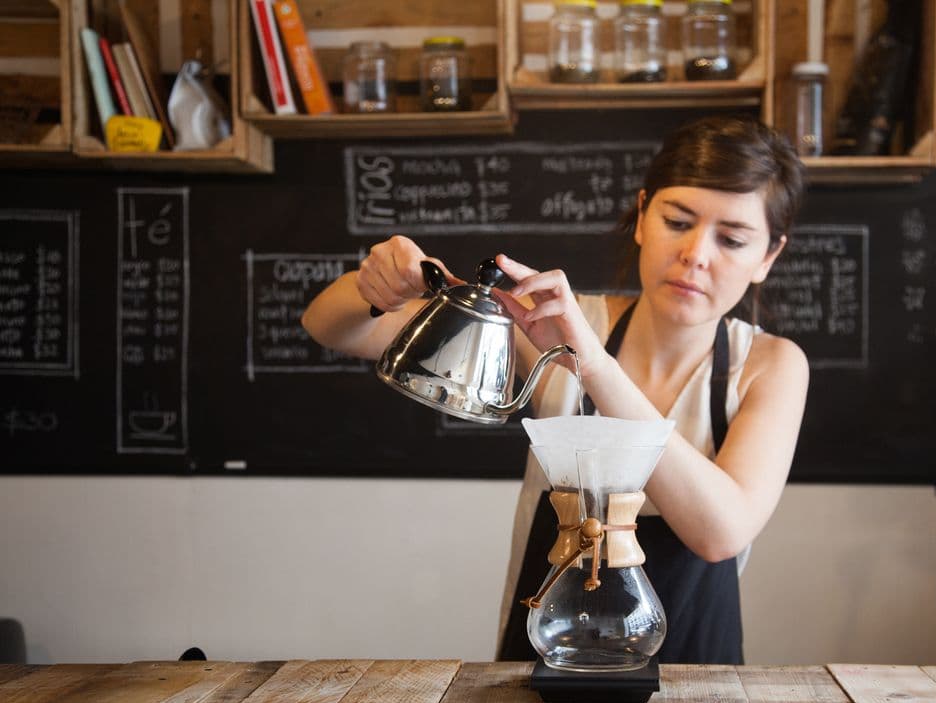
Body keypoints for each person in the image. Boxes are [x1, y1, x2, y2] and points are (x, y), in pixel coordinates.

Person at [301, 115, 808, 664]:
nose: (696, 255)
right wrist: (368, 287)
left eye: (732, 239)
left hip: (699, 686)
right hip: (543, 668)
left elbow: (720, 533)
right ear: (642, 217)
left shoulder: (771, 365)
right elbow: (330, 327)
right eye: (677, 221)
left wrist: (593, 365)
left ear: (768, 257)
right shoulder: (563, 322)